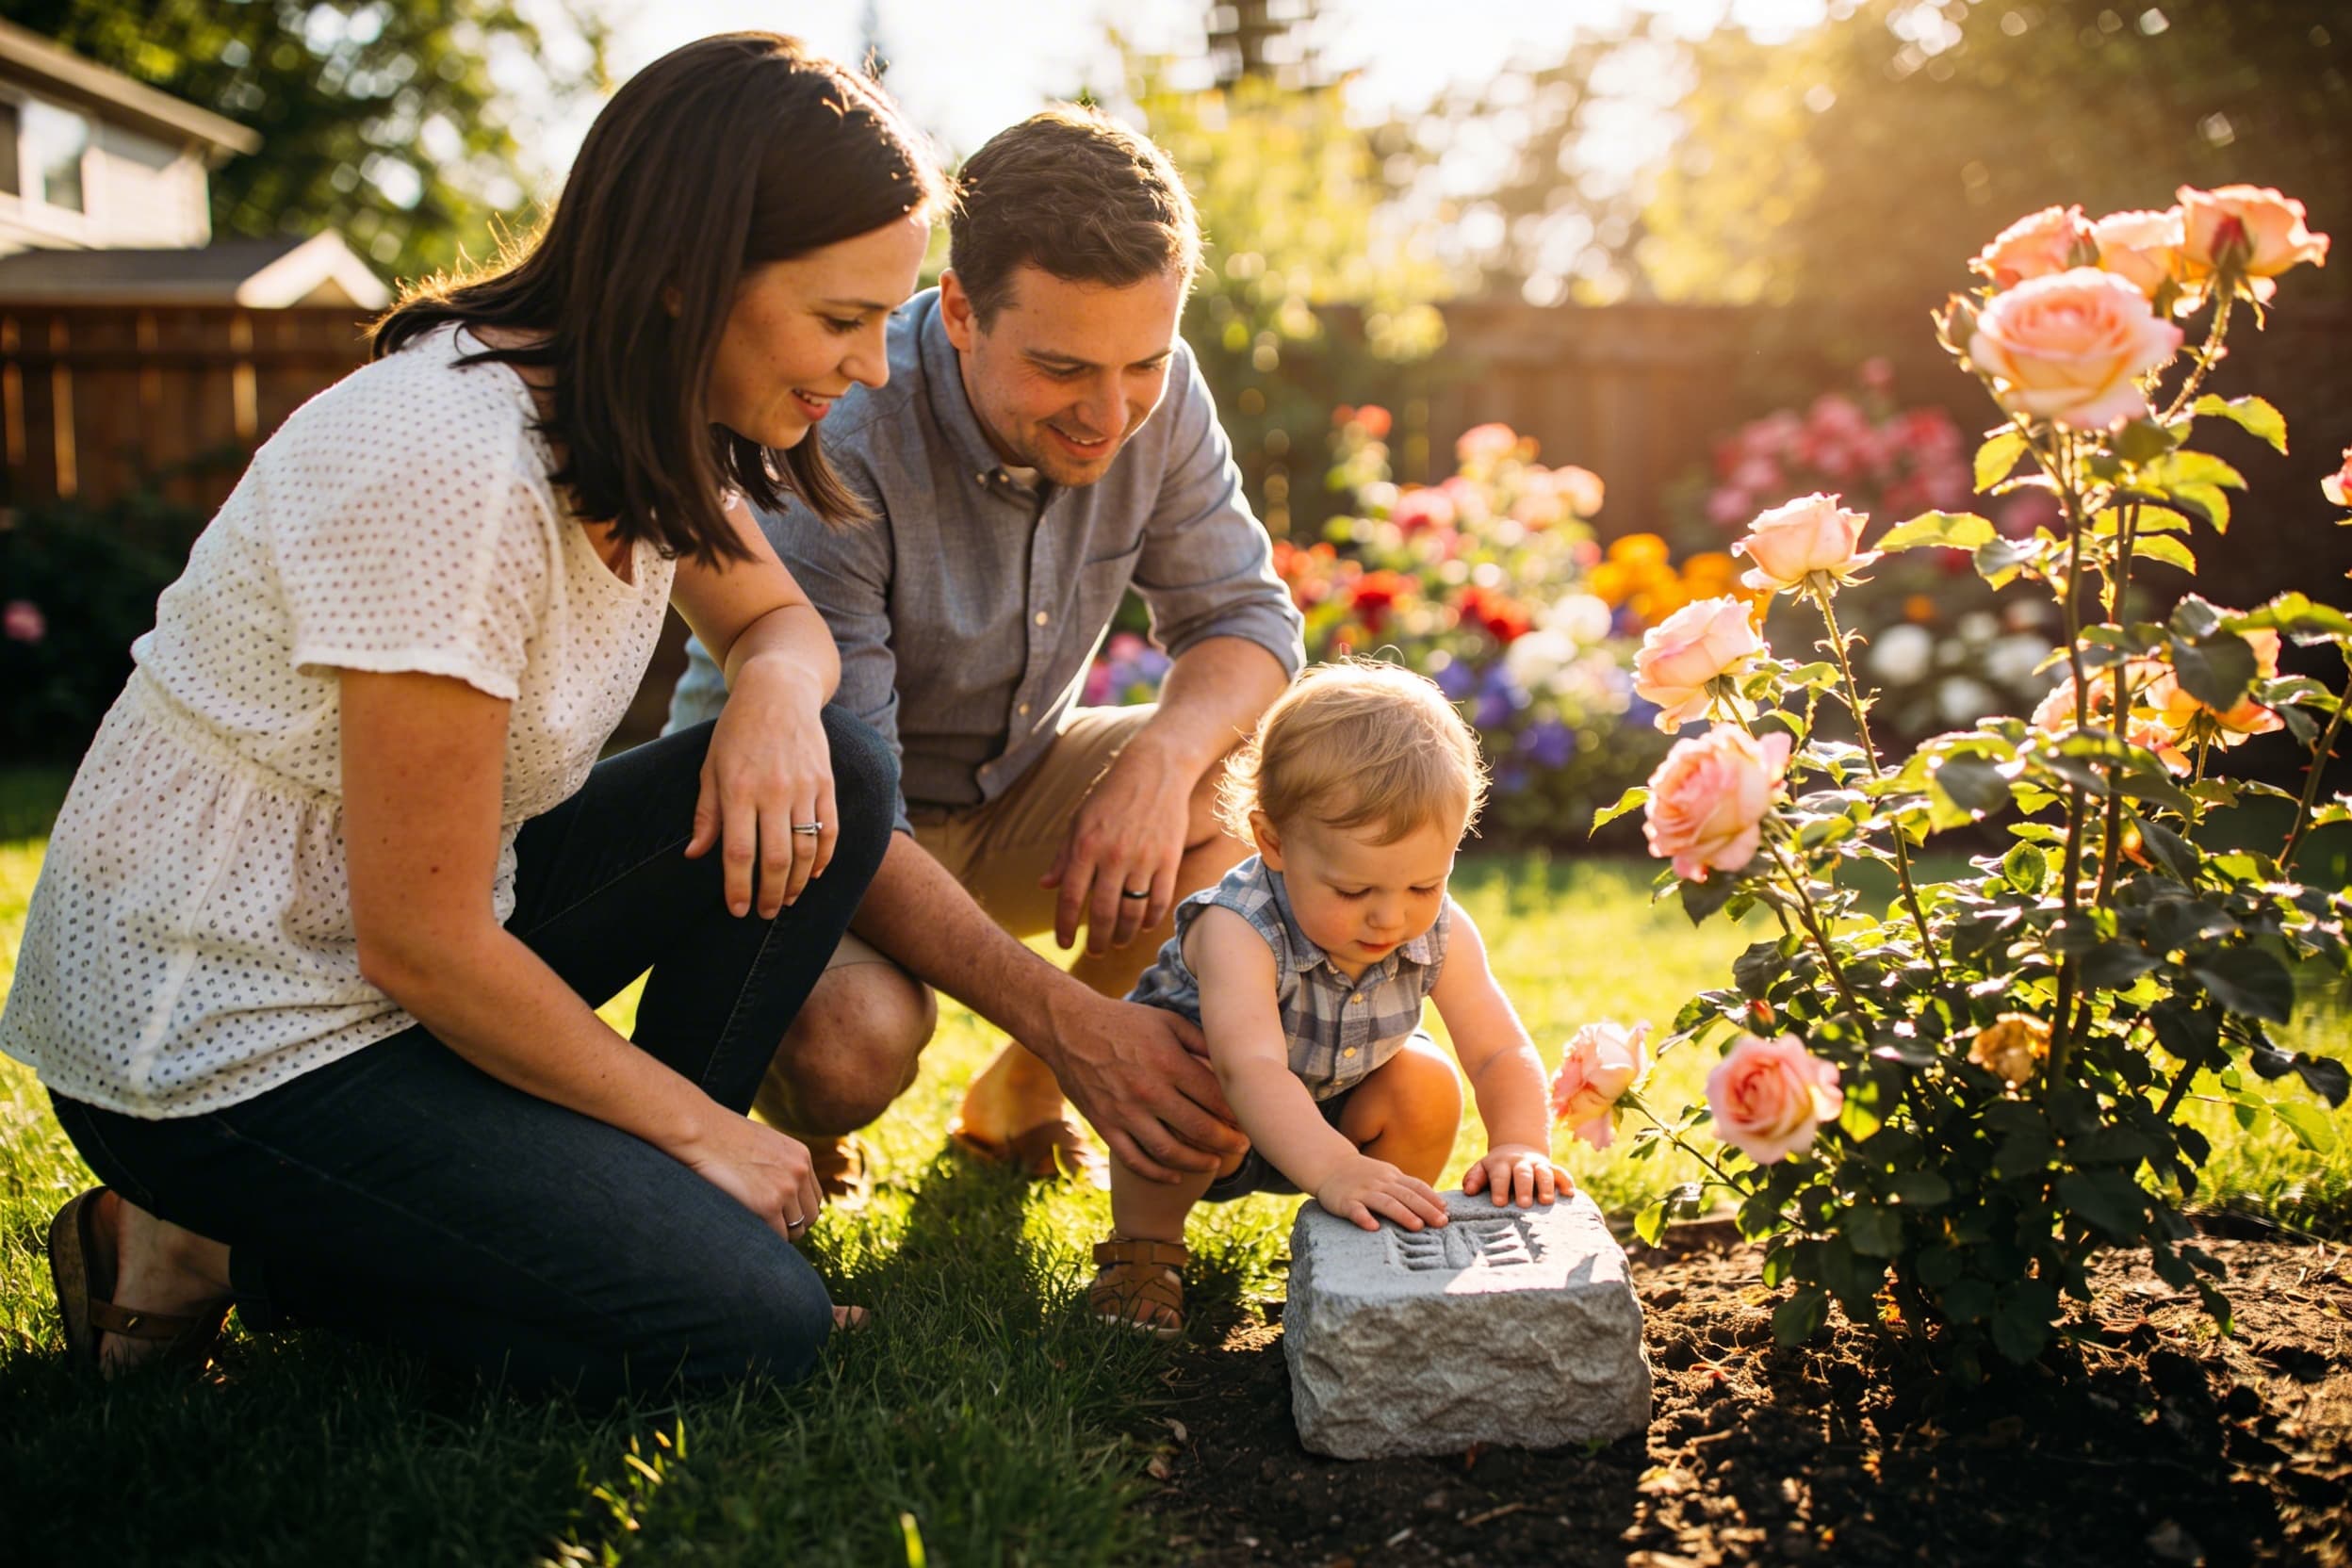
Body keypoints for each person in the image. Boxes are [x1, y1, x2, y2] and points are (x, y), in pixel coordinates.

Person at [5, 33, 946, 1399]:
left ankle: (651, 1206)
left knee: (839, 773)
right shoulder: (447, 465)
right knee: (751, 1334)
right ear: (689, 278)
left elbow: (776, 622)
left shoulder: (640, 414)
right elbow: (423, 944)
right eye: (841, 318)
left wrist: (778, 697)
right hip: (223, 1037)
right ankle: (195, 1242)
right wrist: (687, 1128)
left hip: (395, 957)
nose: (869, 366)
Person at [666, 106, 1304, 1195]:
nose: (1111, 414)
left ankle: (1020, 1090)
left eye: (1141, 363)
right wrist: (1081, 1023)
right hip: (805, 813)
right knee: (848, 1046)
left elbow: (1248, 622)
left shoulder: (1164, 392)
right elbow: (856, 800)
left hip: (1010, 791)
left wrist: (1157, 766)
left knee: (1246, 790)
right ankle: (810, 1118)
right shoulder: (836, 423)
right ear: (960, 310)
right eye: (1063, 368)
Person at [1086, 662, 1574, 1337]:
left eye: (1423, 886)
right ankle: (1146, 1252)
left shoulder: (1438, 929)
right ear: (1273, 842)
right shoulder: (1238, 928)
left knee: (1426, 1083)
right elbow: (1249, 1069)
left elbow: (1497, 1049)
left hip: (1339, 1102)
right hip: (1218, 1107)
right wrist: (1336, 1168)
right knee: (1177, 1097)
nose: (1390, 919)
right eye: (1353, 892)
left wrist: (1520, 1143)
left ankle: (1373, 1235)